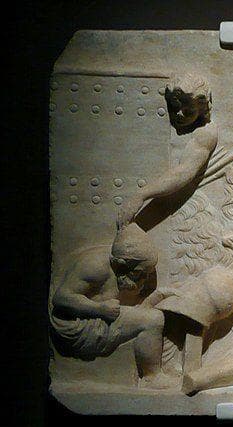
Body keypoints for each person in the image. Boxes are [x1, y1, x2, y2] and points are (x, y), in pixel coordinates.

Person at [49, 224, 171, 388]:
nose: (144, 279)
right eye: (139, 273)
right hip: (78, 324)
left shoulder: (123, 268)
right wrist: (99, 309)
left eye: (146, 274)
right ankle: (152, 378)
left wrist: (160, 295)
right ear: (120, 265)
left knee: (158, 311)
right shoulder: (95, 266)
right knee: (153, 320)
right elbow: (61, 299)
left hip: (101, 313)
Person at [117, 73, 218, 227]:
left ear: (201, 108)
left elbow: (184, 171)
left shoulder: (206, 132)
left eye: (188, 111)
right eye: (175, 106)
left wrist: (141, 195)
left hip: (185, 215)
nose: (179, 114)